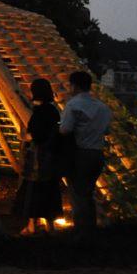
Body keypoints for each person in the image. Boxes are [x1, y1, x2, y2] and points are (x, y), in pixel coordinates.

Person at [58, 70, 112, 234]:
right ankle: (91, 230)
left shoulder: (74, 105)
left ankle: (81, 233)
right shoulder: (102, 107)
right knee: (88, 193)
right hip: (98, 153)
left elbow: (65, 129)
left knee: (78, 196)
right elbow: (107, 130)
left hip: (81, 153)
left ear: (74, 86)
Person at [13, 78, 64, 234]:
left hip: (38, 158)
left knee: (32, 190)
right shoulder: (54, 110)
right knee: (49, 189)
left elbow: (35, 135)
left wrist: (25, 137)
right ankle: (50, 226)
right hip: (51, 157)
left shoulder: (40, 112)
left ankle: (31, 225)